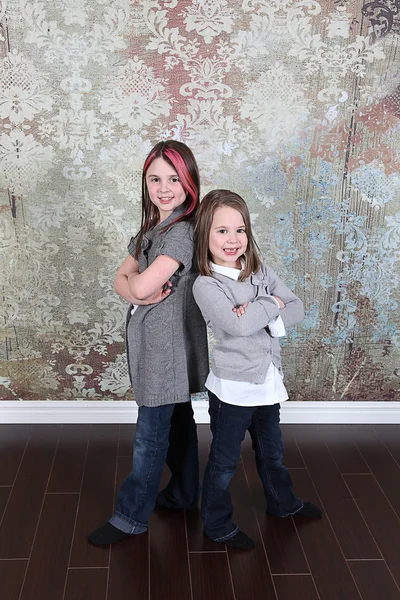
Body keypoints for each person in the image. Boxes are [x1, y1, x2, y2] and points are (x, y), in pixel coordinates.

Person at [88, 141, 209, 546]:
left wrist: (134, 289)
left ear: (189, 181)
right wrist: (135, 291)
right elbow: (119, 279)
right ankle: (184, 493)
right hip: (158, 345)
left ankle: (130, 517)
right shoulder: (151, 230)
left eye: (173, 179)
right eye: (155, 178)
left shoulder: (180, 234)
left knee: (150, 436)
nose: (164, 187)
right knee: (177, 424)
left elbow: (135, 281)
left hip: (167, 349)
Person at [192, 189, 322, 550]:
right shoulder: (206, 285)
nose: (232, 239)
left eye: (239, 230)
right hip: (233, 387)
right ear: (205, 234)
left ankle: (283, 503)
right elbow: (237, 327)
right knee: (224, 460)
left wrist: (261, 308)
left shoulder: (260, 270)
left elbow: (296, 308)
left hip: (267, 381)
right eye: (221, 231)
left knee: (271, 451)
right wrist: (272, 302)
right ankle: (216, 523)